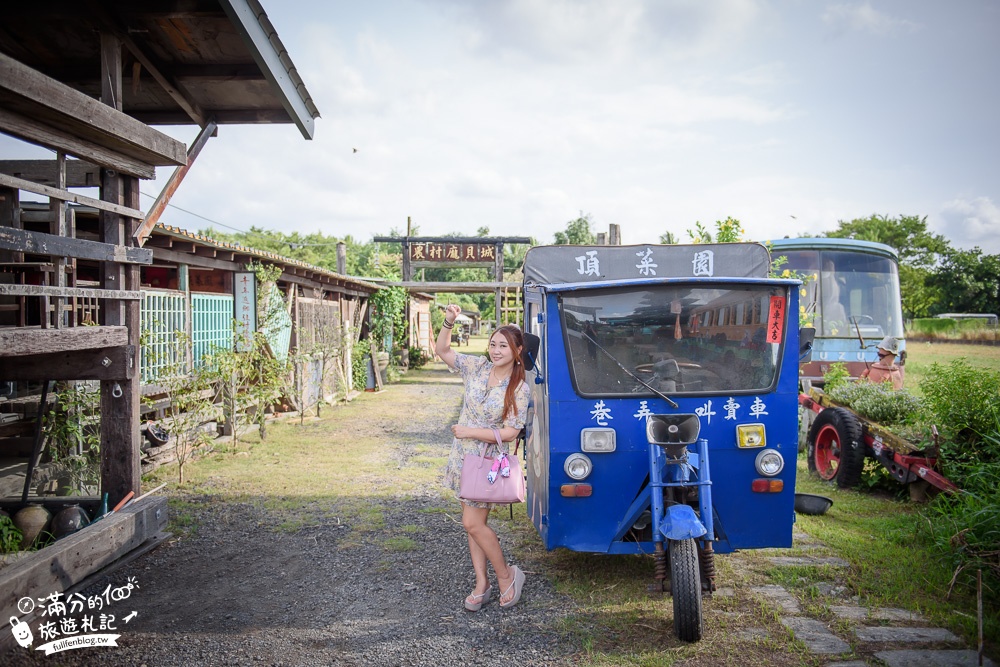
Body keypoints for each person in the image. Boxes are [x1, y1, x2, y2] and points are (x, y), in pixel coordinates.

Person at [436, 304, 529, 611]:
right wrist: (449, 321)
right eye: (493, 344)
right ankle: (481, 583)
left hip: (487, 463)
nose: (496, 350)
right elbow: (442, 350)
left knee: (473, 523)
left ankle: (506, 576)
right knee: (472, 525)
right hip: (463, 459)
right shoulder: (477, 368)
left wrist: (470, 432)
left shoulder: (519, 387)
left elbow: (512, 432)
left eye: (503, 345)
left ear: (517, 351)